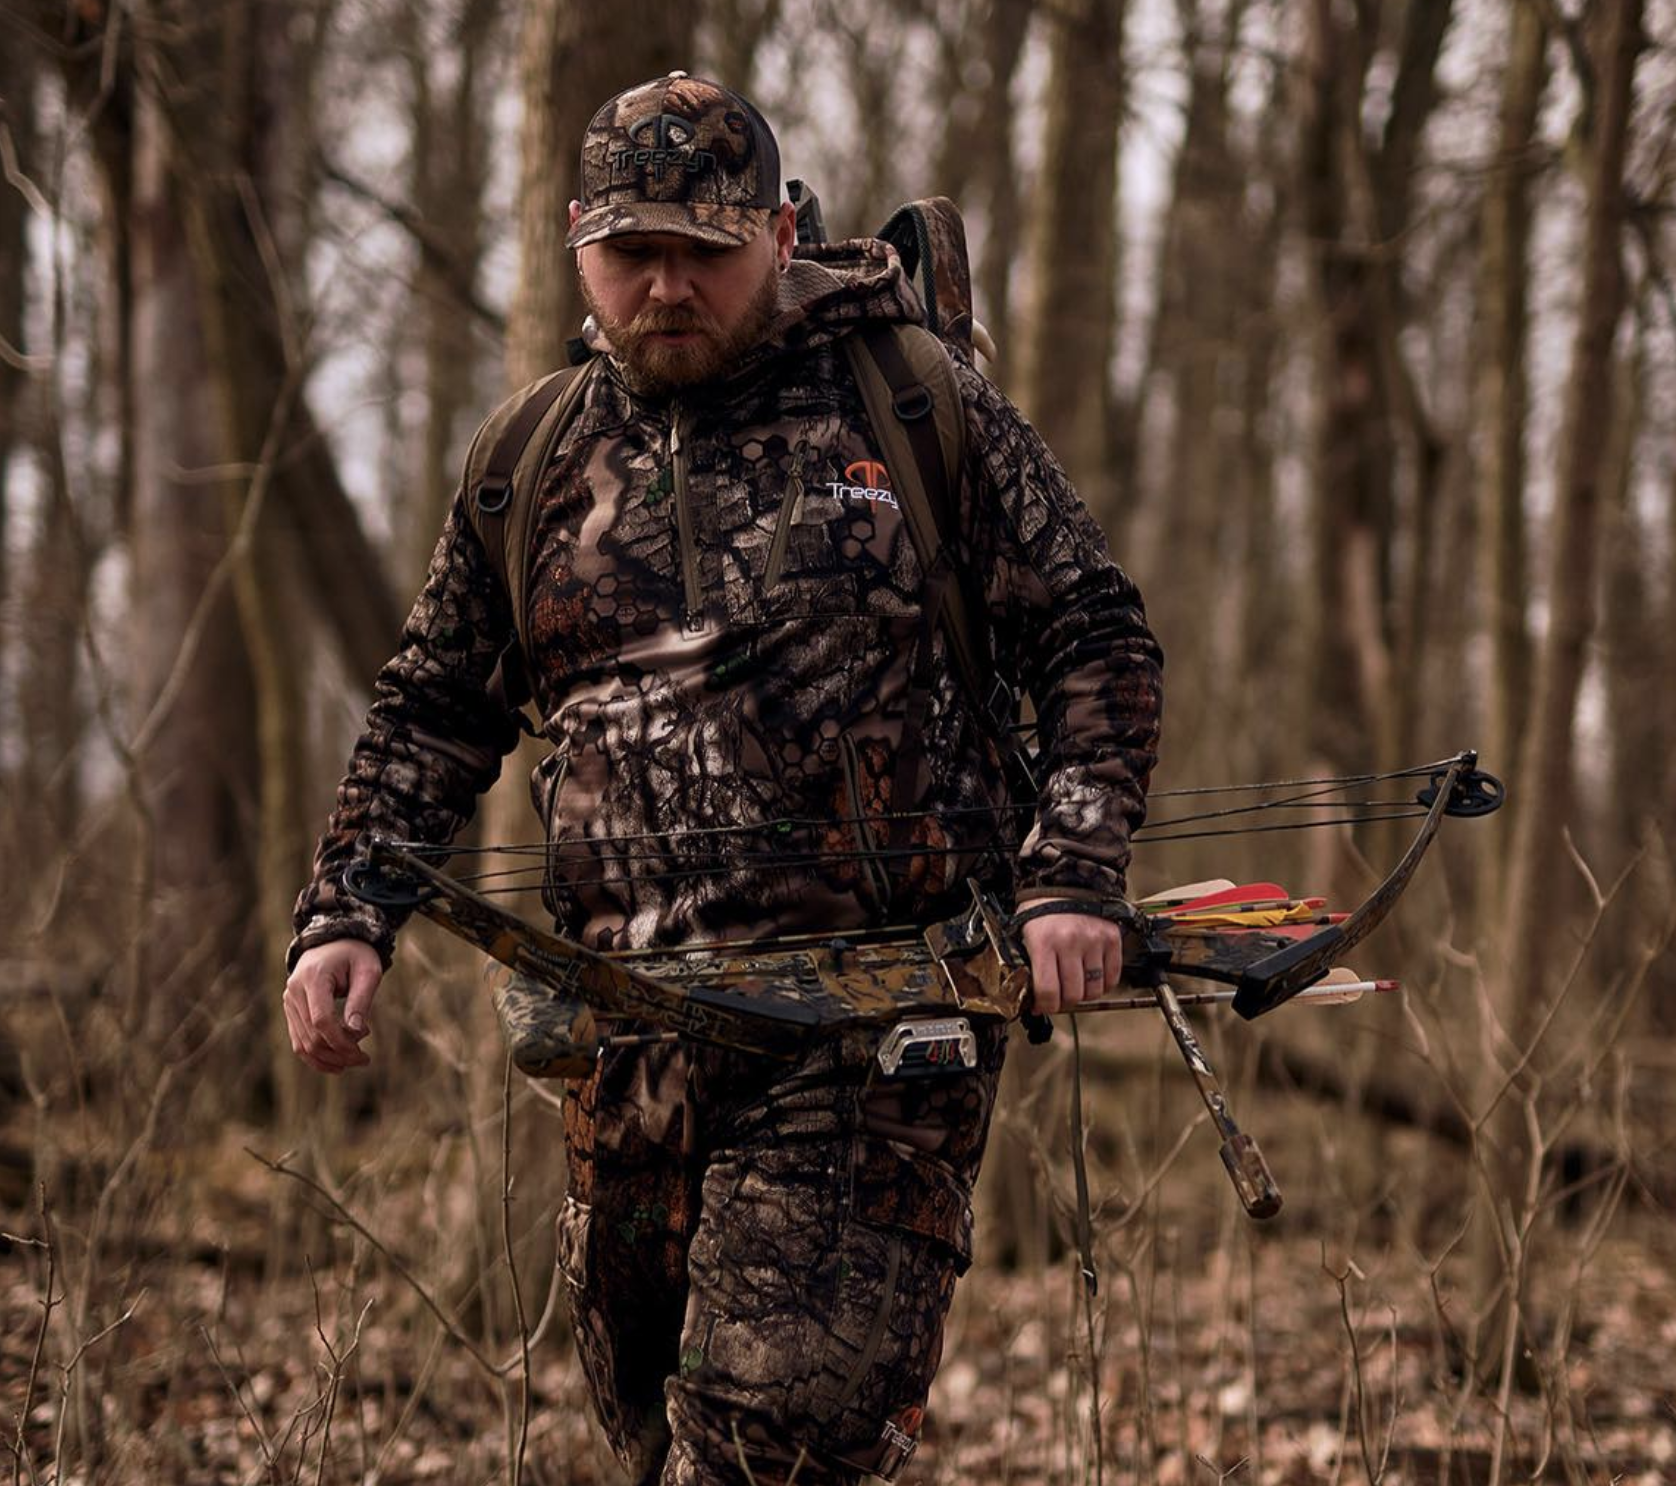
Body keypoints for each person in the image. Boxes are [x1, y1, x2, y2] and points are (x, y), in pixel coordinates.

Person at [282, 72, 1162, 1484]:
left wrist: (1073, 870)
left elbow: (1094, 633)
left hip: (883, 1034)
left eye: (707, 248)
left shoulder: (912, 401)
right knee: (649, 1429)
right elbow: (436, 706)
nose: (669, 285)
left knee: (765, 1449)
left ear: (780, 228)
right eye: (635, 253)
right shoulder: (530, 461)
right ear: (577, 241)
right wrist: (344, 914)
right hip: (634, 1048)